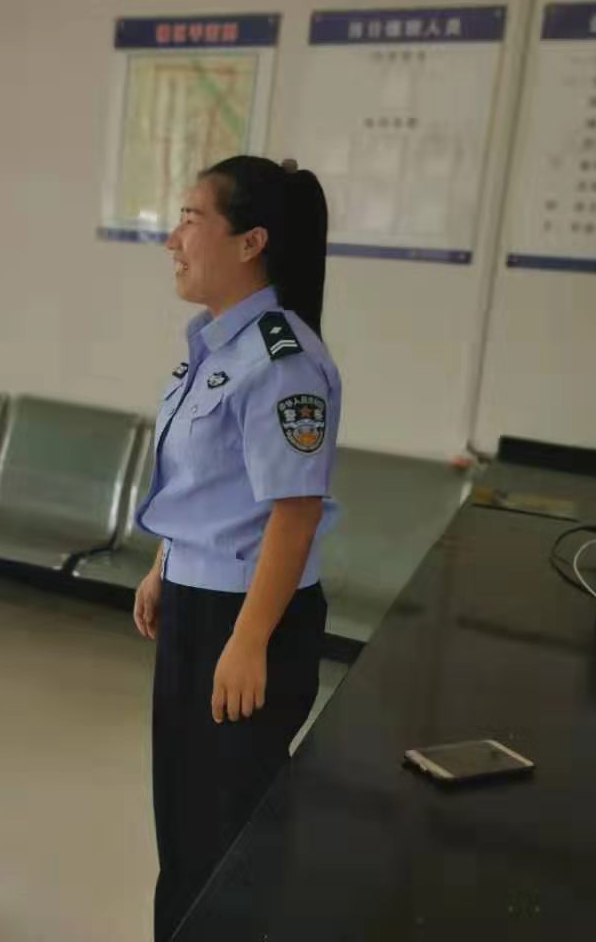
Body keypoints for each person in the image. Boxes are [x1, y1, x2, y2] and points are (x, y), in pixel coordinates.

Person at [132, 156, 341, 941]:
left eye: (191, 219)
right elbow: (209, 484)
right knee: (183, 825)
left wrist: (250, 641)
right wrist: (165, 563)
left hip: (248, 618)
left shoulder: (284, 363)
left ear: (251, 242)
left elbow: (295, 513)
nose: (173, 239)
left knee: (229, 837)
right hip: (198, 604)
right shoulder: (215, 345)